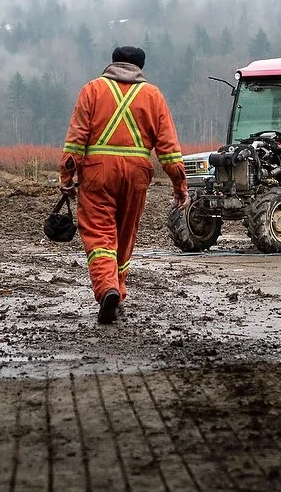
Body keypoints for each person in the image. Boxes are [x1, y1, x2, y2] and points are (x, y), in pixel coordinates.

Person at [60, 45, 188, 324]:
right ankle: (118, 288)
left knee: (99, 233)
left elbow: (76, 139)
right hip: (137, 175)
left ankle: (108, 288)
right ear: (140, 67)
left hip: (97, 174)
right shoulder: (153, 95)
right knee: (125, 234)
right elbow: (168, 148)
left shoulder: (92, 90)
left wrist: (67, 177)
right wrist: (180, 185)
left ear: (113, 62)